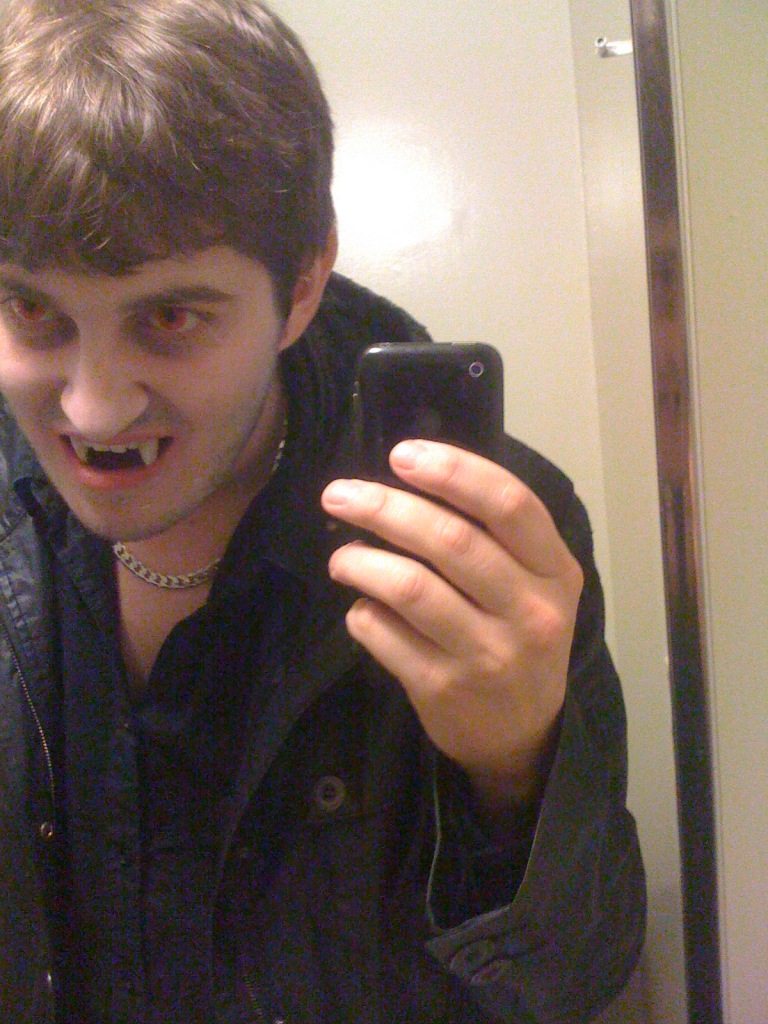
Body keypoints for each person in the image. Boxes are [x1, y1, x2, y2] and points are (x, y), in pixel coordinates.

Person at [0, 1, 646, 1021]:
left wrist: (515, 771)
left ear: (303, 285)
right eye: (33, 310)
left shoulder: (484, 538)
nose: (92, 407)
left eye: (170, 316)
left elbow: (578, 978)